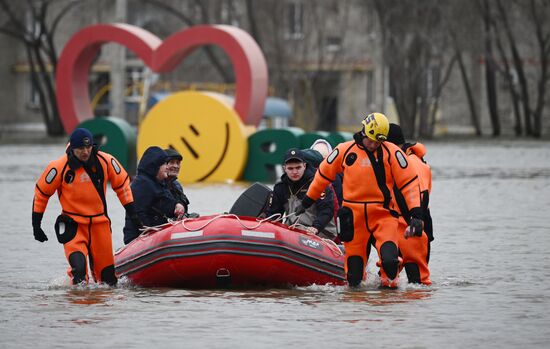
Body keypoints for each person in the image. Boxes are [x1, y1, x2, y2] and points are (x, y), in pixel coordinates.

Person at [296, 113, 423, 288]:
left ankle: (388, 298)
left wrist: (416, 214)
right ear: (363, 132)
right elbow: (322, 177)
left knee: (390, 262)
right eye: (370, 140)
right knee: (354, 277)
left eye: (377, 142)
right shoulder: (344, 150)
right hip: (353, 218)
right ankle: (358, 308)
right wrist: (306, 202)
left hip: (383, 215)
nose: (373, 145)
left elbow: (409, 184)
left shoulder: (391, 153)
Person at [32, 128, 139, 286]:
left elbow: (122, 184)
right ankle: (76, 305)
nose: (85, 152)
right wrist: (36, 225)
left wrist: (133, 215)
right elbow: (42, 193)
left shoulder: (105, 161)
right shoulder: (58, 167)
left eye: (88, 147)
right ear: (72, 148)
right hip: (73, 226)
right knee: (79, 272)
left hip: (100, 225)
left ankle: (100, 308)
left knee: (108, 280)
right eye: (81, 149)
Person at [384, 123, 433, 285]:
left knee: (417, 282)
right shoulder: (409, 160)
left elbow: (419, 199)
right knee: (388, 278)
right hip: (396, 225)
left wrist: (415, 224)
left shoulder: (411, 164)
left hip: (411, 226)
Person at [265, 148, 337, 239]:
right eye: (290, 168)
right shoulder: (280, 187)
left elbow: (326, 210)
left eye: (298, 167)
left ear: (304, 166)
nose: (295, 172)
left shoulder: (318, 183)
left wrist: (315, 228)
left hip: (321, 231)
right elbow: (274, 213)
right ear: (284, 169)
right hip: (293, 230)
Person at [123, 146, 185, 245]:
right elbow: (139, 214)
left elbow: (168, 202)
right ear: (155, 166)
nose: (167, 167)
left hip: (158, 235)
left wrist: (178, 205)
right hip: (140, 240)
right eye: (165, 164)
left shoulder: (160, 184)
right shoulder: (142, 184)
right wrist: (152, 233)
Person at [164, 148, 199, 218]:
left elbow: (183, 201)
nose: (176, 166)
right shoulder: (154, 185)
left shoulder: (177, 185)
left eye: (178, 163)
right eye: (172, 162)